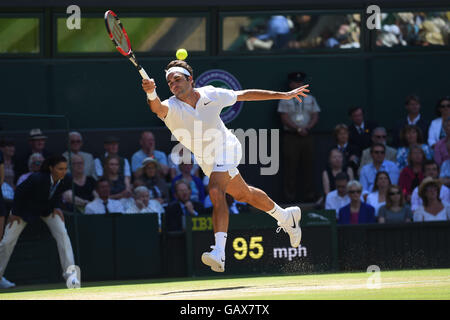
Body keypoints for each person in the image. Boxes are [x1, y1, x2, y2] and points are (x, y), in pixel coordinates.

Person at [142, 59, 307, 272]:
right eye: (170, 82)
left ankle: (219, 252)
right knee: (243, 194)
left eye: (177, 79)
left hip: (228, 148)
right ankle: (286, 216)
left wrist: (283, 95)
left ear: (190, 80)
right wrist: (150, 93)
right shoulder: (170, 107)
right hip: (208, 160)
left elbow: (244, 94)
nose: (173, 84)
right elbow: (156, 107)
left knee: (215, 190)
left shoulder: (212, 94)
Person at [0, 155, 79, 288]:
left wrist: (56, 206)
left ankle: (71, 277)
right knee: (7, 241)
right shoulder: (37, 178)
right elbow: (19, 192)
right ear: (51, 168)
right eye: (60, 169)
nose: (63, 172)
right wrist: (14, 213)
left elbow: (57, 192)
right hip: (24, 212)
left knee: (63, 235)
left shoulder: (67, 178)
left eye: (65, 169)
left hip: (47, 210)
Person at [278, 71, 320, 202]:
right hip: (291, 136)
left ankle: (309, 195)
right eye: (296, 82)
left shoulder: (310, 99)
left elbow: (315, 115)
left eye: (300, 82)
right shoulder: (284, 98)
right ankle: (289, 197)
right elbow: (284, 117)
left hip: (307, 136)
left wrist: (307, 128)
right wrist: (297, 128)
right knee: (290, 167)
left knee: (308, 166)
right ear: (291, 84)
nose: (298, 84)